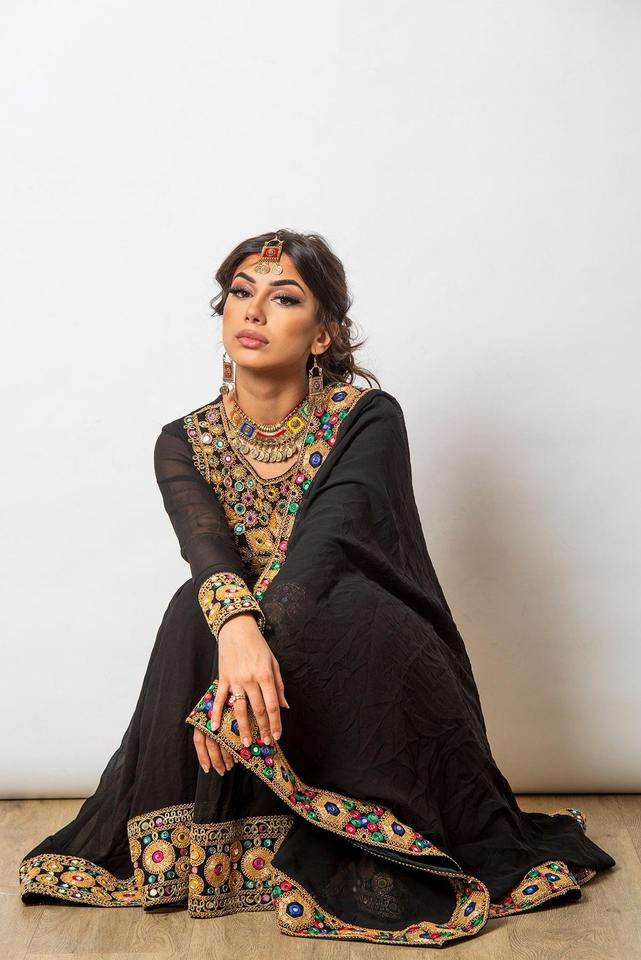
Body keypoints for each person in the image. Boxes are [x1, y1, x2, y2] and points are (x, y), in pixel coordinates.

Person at [18, 229, 616, 947]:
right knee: (193, 610)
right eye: (241, 292)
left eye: (284, 298)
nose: (253, 311)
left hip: (356, 638)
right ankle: (225, 842)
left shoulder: (367, 418)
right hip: (243, 641)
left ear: (323, 334)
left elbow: (326, 549)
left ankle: (362, 831)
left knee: (349, 609)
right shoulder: (183, 441)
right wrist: (236, 638)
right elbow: (208, 557)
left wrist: (226, 688)